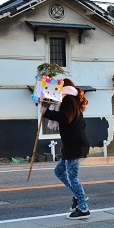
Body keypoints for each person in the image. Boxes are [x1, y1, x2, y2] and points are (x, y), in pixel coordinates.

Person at [41, 78, 91, 220]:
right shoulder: (69, 99)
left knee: (73, 177)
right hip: (72, 144)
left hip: (75, 145)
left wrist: (46, 113)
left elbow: (65, 118)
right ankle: (79, 195)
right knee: (59, 171)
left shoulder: (68, 99)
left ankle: (83, 208)